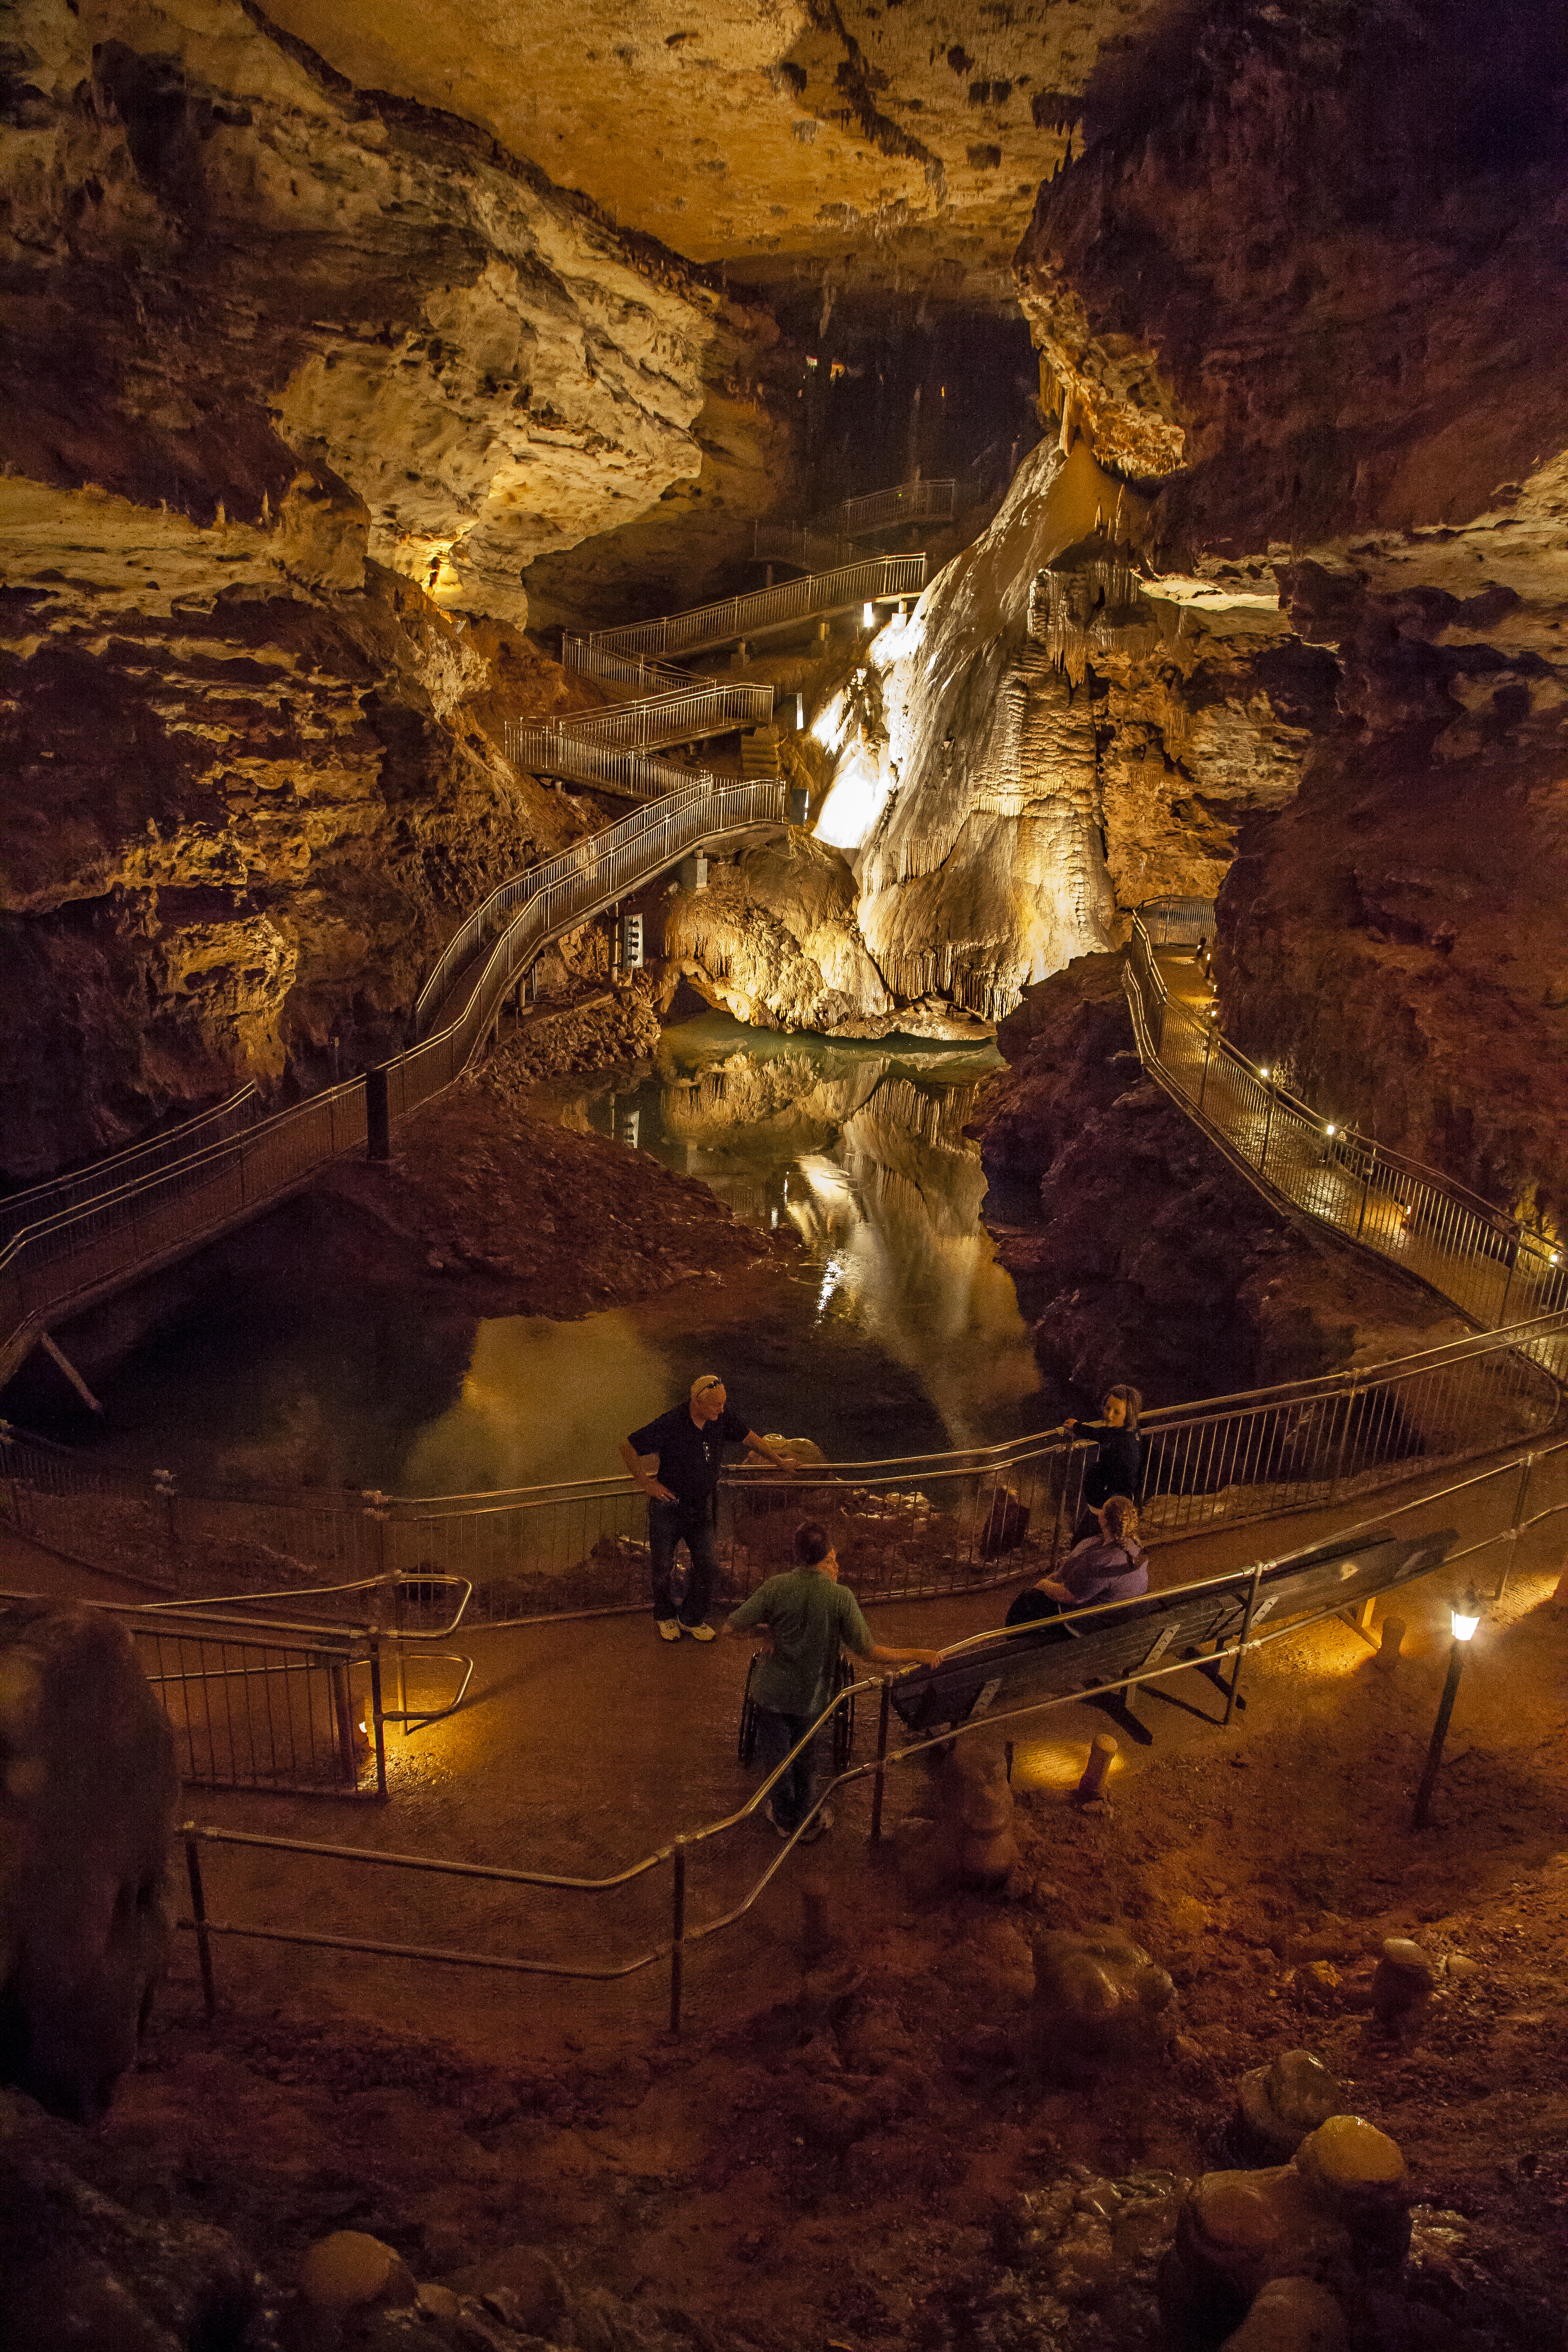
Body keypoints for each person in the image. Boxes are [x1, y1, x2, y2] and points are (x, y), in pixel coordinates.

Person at [726, 1524, 943, 1841]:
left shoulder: (776, 1587)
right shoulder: (840, 1597)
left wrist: (765, 1631)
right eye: (834, 1559)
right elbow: (870, 1651)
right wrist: (917, 1653)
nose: (837, 1566)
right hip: (812, 1696)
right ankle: (808, 1820)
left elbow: (730, 1629)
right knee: (807, 1758)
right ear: (826, 1556)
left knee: (777, 1758)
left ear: (797, 1555)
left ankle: (784, 1817)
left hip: (771, 1691)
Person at [620, 1375, 794, 1642]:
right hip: (669, 1506)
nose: (722, 1410)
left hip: (699, 1508)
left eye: (724, 1404)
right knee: (662, 1565)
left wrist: (779, 1461)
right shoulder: (671, 1423)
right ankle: (665, 1616)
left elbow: (751, 1439)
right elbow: (628, 1447)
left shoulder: (719, 1419)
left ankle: (691, 1617)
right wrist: (646, 1483)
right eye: (716, 1405)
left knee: (708, 1565)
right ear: (697, 1402)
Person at [1004, 1497, 1149, 1630]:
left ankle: (1017, 1645)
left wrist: (1043, 1584)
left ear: (1104, 1520)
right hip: (1121, 1612)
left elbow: (1070, 1597)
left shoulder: (1100, 1559)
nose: (1098, 1514)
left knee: (1027, 1601)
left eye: (1102, 1511)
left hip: (1093, 1622)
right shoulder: (1135, 1546)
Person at [1064, 1384, 1143, 1540]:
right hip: (1107, 1502)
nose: (1109, 1415)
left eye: (1117, 1412)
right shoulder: (1129, 1432)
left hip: (1107, 1505)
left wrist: (1076, 1426)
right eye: (1108, 1408)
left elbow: (1097, 1433)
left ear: (1129, 1416)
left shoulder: (1120, 1439)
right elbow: (1101, 1435)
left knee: (1084, 1541)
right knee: (1096, 1539)